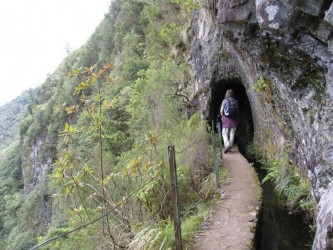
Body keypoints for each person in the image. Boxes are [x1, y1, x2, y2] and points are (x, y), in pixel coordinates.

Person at [220, 89, 238, 153]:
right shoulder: (235, 101)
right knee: (232, 134)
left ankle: (227, 145)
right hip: (234, 120)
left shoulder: (224, 101)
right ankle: (230, 147)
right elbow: (237, 111)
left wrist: (222, 116)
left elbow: (221, 111)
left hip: (226, 119)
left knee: (224, 133)